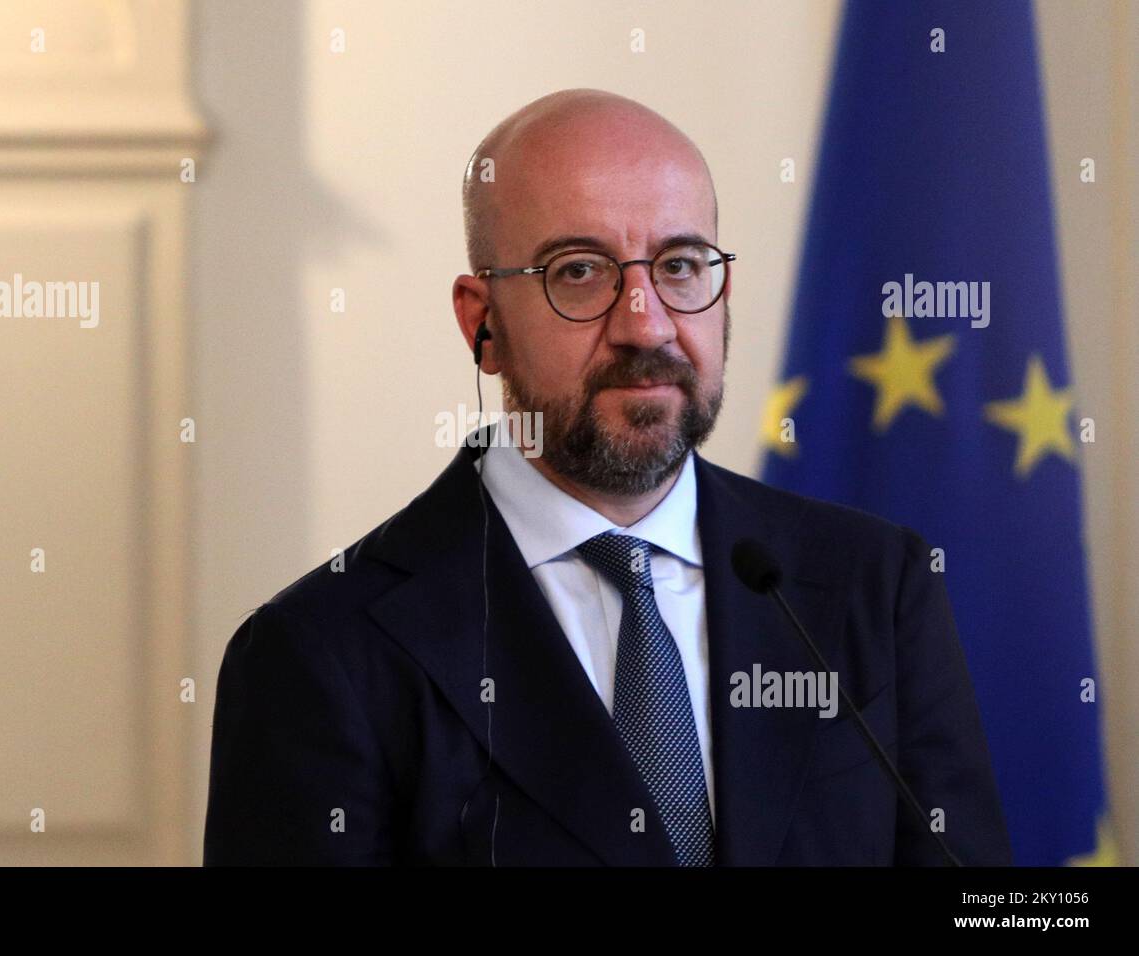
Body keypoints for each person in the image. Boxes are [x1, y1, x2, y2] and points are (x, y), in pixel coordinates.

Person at [203, 88, 1011, 866]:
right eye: (580, 271)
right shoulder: (319, 654)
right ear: (481, 323)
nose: (646, 323)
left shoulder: (874, 584)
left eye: (681, 265)